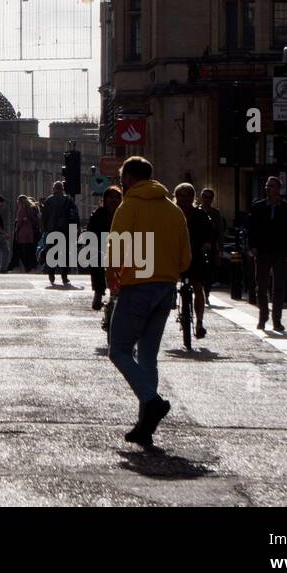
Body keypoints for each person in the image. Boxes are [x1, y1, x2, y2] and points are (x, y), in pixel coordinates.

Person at [105, 156, 192, 448]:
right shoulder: (173, 209)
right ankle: (145, 426)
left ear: (129, 177)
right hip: (166, 287)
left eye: (122, 177)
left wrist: (112, 275)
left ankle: (152, 402)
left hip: (136, 286)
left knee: (118, 349)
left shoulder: (128, 206)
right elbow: (185, 259)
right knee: (148, 356)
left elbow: (116, 247)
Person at [248, 175, 287, 332]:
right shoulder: (257, 207)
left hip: (280, 251)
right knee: (261, 286)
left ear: (278, 189)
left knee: (279, 286)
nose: (268, 189)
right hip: (262, 251)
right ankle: (263, 316)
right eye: (267, 186)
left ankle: (277, 319)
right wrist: (252, 246)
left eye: (271, 186)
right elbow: (252, 229)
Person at [173, 183, 212, 340]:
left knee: (197, 287)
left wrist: (207, 243)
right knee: (168, 282)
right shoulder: (171, 213)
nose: (185, 198)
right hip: (175, 254)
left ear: (193, 197)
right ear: (176, 197)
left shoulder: (200, 214)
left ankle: (199, 322)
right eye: (182, 195)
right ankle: (170, 299)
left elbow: (209, 231)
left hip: (195, 254)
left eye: (188, 195)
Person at [87, 185, 122, 310]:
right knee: (96, 264)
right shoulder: (98, 213)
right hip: (101, 245)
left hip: (119, 246)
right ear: (105, 199)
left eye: (117, 198)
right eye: (111, 197)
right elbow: (91, 231)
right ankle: (98, 292)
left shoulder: (124, 214)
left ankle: (117, 291)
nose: (114, 200)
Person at [41, 179, 79, 286]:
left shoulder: (49, 200)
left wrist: (45, 229)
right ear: (62, 189)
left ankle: (51, 274)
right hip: (65, 231)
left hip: (52, 230)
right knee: (65, 253)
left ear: (53, 189)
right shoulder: (68, 200)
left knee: (53, 252)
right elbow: (75, 215)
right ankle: (64, 276)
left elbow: (44, 217)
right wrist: (77, 228)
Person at [198, 188, 226, 303]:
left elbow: (220, 231)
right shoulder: (197, 211)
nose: (207, 199)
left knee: (209, 272)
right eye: (205, 196)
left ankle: (207, 293)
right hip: (197, 245)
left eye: (209, 197)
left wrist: (220, 248)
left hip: (211, 246)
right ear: (201, 197)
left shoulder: (215, 213)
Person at [8, 195, 38, 272]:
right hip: (29, 233)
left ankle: (27, 267)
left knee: (21, 251)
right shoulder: (30, 209)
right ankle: (31, 266)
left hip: (22, 233)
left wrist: (16, 231)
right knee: (29, 250)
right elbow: (34, 220)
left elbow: (19, 223)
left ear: (20, 201)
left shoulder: (21, 210)